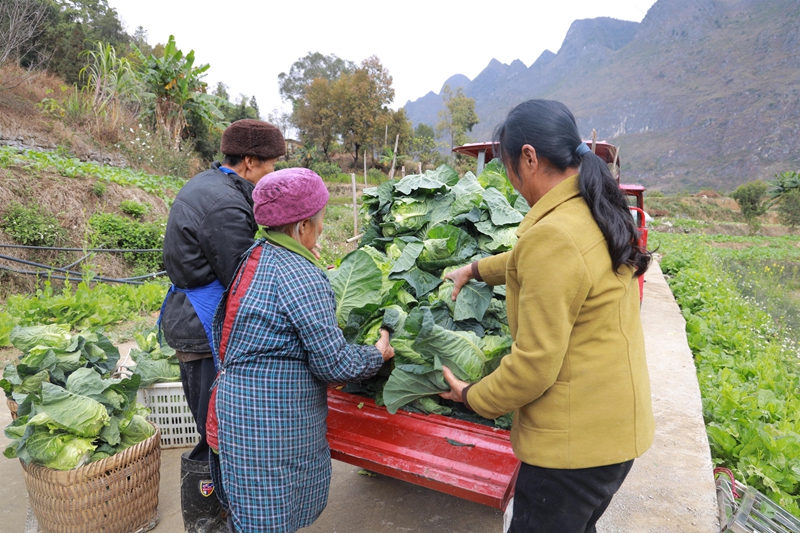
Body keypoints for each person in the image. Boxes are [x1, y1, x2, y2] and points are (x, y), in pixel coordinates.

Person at [441, 99, 655, 533]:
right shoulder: (593, 208)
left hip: (573, 449)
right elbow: (539, 261)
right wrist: (475, 269)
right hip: (615, 433)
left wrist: (471, 396)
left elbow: (534, 365)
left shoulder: (554, 233)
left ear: (530, 157)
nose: (512, 182)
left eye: (508, 168)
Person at [209, 168, 395, 533]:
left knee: (252, 515)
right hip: (271, 425)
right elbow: (335, 364)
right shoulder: (301, 274)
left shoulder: (256, 253)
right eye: (321, 219)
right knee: (269, 518)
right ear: (303, 227)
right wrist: (378, 353)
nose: (323, 227)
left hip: (239, 410)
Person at [160, 119, 286, 532]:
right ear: (249, 161)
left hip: (193, 317)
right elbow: (241, 277)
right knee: (215, 434)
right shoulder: (226, 205)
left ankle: (223, 517)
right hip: (202, 324)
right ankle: (207, 525)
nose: (273, 173)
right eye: (270, 165)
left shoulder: (212, 184)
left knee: (216, 428)